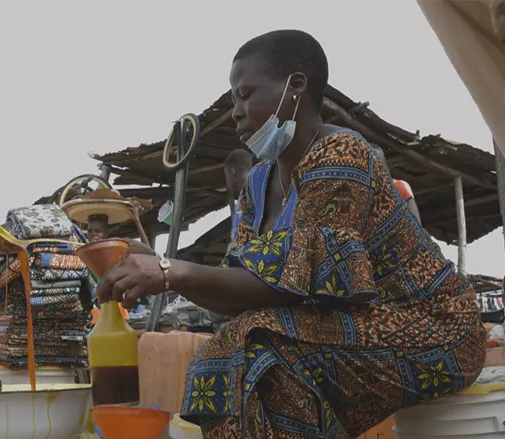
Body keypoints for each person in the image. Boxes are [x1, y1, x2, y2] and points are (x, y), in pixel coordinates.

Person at [95, 30, 485, 438]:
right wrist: (157, 271)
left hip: (434, 330)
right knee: (223, 351)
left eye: (246, 95)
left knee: (264, 351)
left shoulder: (341, 155)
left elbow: (290, 286)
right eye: (234, 100)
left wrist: (169, 270)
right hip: (355, 331)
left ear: (296, 86)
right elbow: (239, 293)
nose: (236, 112)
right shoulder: (258, 183)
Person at [371, 144, 422, 224]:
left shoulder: (399, 186)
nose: (375, 166)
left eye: (378, 161)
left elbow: (415, 222)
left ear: (384, 162)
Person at [224, 149, 253, 253]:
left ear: (232, 172)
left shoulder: (248, 194)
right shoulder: (258, 188)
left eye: (226, 175)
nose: (227, 180)